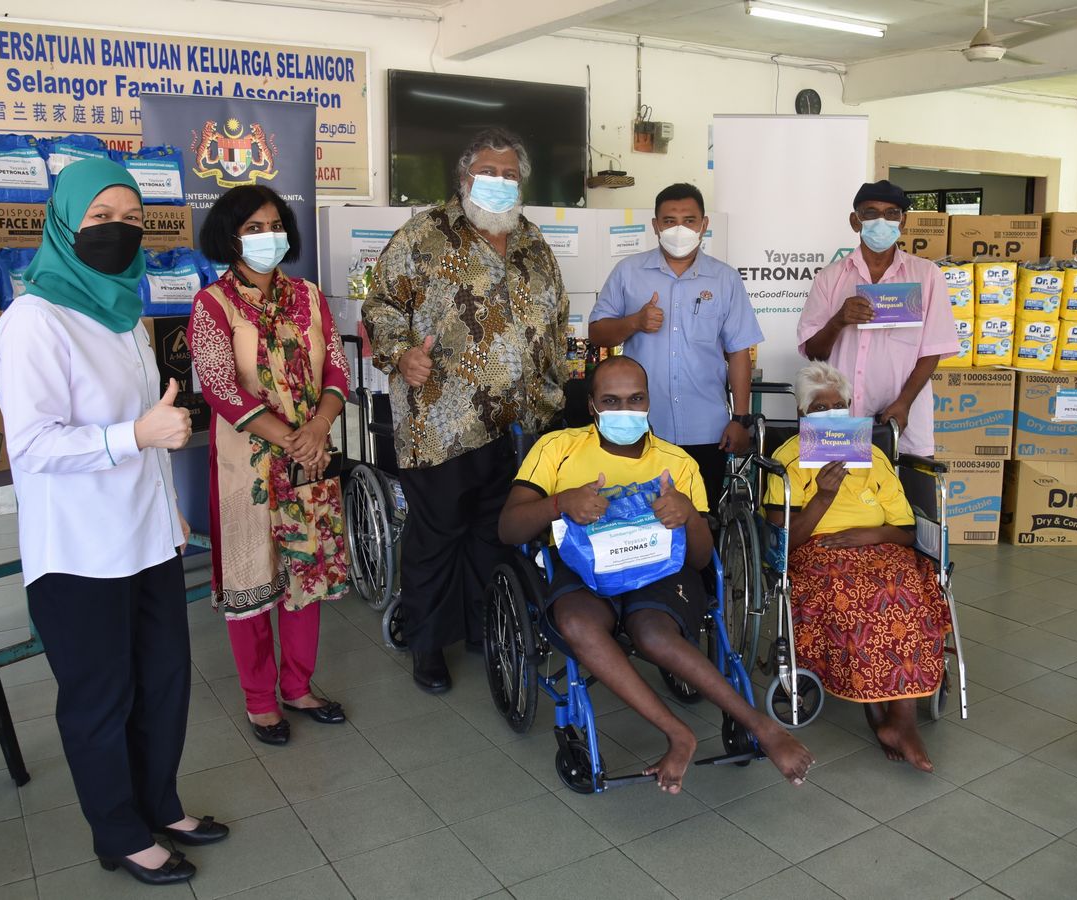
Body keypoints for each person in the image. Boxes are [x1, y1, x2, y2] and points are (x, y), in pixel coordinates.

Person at [0, 159, 225, 886]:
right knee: (100, 701)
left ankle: (159, 802)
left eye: (132, 218)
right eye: (101, 218)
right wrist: (136, 438)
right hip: (79, 554)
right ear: (63, 223)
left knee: (163, 685)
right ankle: (119, 833)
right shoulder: (31, 320)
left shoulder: (126, 309)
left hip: (148, 539)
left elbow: (149, 420)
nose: (119, 231)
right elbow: (31, 444)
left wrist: (170, 508)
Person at [498, 356, 814, 793]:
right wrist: (560, 503)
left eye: (635, 400)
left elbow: (703, 560)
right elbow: (508, 527)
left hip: (661, 571)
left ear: (649, 403)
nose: (624, 411)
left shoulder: (678, 462)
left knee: (653, 633)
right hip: (585, 569)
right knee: (575, 622)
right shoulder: (557, 449)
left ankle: (763, 725)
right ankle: (678, 733)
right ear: (592, 406)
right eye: (611, 401)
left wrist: (689, 517)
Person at [363, 127, 568, 694]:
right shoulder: (424, 235)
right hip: (443, 423)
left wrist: (554, 399)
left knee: (495, 533)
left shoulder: (532, 243)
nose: (500, 182)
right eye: (488, 171)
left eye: (509, 173)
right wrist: (400, 356)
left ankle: (483, 627)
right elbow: (381, 305)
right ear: (463, 178)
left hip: (518, 424)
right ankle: (428, 644)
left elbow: (553, 325)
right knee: (437, 537)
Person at [189, 185, 350, 746]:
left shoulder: (309, 294)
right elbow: (221, 390)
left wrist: (317, 429)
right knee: (253, 581)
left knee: (304, 574)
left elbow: (336, 371)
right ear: (230, 236)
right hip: (249, 470)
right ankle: (260, 701)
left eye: (274, 224)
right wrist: (291, 438)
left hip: (310, 459)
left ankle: (298, 686)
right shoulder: (213, 304)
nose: (267, 236)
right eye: (253, 227)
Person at [765, 362, 950, 772]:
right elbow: (784, 544)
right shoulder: (787, 461)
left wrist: (872, 535)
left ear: (851, 409)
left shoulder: (874, 457)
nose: (831, 412)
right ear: (802, 414)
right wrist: (822, 499)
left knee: (906, 587)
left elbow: (904, 530)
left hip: (880, 546)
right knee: (860, 594)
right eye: (819, 407)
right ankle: (877, 708)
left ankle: (900, 721)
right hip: (817, 551)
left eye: (839, 405)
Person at [589, 183, 762, 508]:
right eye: (669, 221)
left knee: (700, 518)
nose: (679, 229)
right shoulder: (628, 272)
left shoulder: (724, 279)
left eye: (689, 220)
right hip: (642, 427)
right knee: (640, 517)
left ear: (703, 225)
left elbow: (739, 352)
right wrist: (634, 323)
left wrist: (740, 419)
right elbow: (597, 333)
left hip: (707, 428)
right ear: (655, 225)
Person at [797, 180, 957, 457]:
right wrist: (838, 321)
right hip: (839, 421)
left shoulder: (927, 275)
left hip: (903, 420)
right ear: (855, 220)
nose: (882, 221)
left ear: (902, 221)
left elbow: (932, 350)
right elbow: (813, 352)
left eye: (892, 213)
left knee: (908, 498)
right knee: (835, 497)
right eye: (871, 213)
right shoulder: (830, 277)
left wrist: (904, 403)